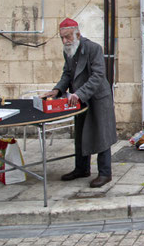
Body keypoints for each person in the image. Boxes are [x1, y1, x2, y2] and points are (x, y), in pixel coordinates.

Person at [41, 18, 118, 188]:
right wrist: (57, 90)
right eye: (62, 38)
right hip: (79, 99)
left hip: (97, 98)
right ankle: (81, 168)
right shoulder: (68, 51)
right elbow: (67, 74)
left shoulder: (93, 48)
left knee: (101, 135)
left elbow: (98, 76)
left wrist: (79, 93)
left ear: (77, 33)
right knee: (81, 134)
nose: (65, 41)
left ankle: (105, 173)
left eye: (67, 37)